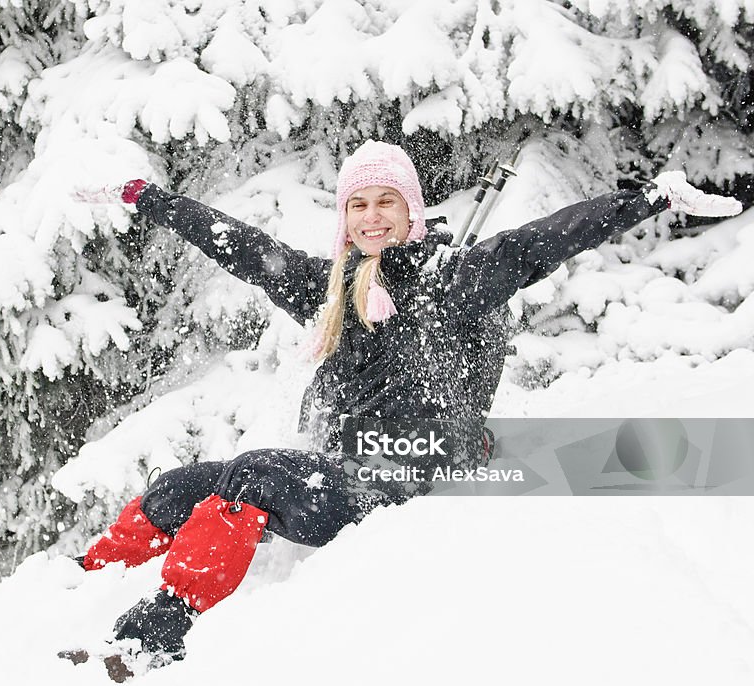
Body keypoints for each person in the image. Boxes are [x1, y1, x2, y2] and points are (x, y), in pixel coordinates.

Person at [65, 143, 741, 679]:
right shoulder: (330, 290)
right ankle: (77, 595)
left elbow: (549, 239)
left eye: (386, 200)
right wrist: (143, 195)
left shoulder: (460, 278)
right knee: (182, 486)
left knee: (254, 473)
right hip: (335, 471)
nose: (371, 215)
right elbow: (241, 246)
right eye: (358, 203)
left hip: (405, 480)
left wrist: (652, 197)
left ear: (412, 208)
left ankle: (159, 635)